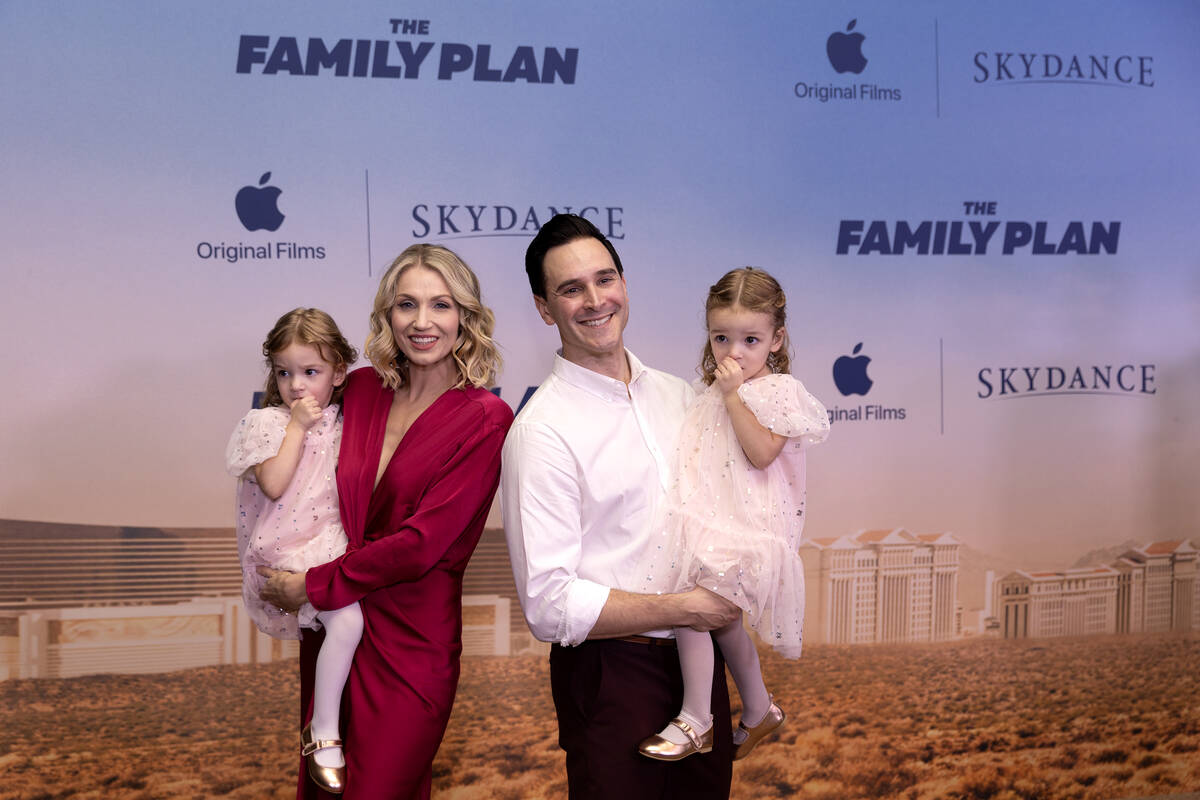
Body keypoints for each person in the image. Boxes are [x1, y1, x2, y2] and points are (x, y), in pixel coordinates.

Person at [500, 214, 741, 800]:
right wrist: (686, 607)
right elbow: (549, 605)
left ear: (625, 285)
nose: (594, 300)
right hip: (610, 677)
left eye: (604, 279)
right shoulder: (542, 432)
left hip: (699, 669)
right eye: (570, 289)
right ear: (542, 307)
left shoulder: (681, 396)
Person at [259, 244, 513, 800]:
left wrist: (310, 585)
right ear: (386, 315)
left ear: (464, 317)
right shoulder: (362, 390)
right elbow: (289, 415)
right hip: (336, 630)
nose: (422, 322)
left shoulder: (487, 418)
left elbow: (421, 546)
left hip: (410, 645)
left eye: (441, 305)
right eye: (406, 305)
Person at [634, 267, 829, 763]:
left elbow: (762, 453)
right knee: (718, 623)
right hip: (712, 529)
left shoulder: (779, 392)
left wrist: (732, 395)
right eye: (721, 337)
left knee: (693, 613)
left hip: (752, 534)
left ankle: (697, 720)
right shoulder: (710, 394)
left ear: (776, 339)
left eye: (750, 339)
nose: (733, 352)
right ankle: (760, 709)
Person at [225, 308, 363, 794]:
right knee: (347, 622)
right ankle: (323, 729)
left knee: (353, 625)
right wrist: (297, 429)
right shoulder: (267, 423)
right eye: (285, 373)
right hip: (288, 549)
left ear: (339, 372)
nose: (297, 386)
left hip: (331, 545)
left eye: (311, 372)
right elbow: (277, 484)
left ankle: (334, 725)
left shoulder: (351, 421)